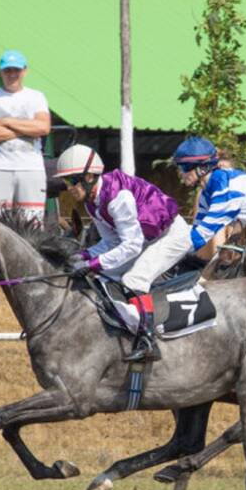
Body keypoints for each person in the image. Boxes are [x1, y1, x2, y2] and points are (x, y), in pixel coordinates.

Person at [56, 145, 187, 362]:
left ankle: (148, 342)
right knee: (103, 276)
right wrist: (84, 256)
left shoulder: (118, 198)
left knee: (134, 279)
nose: (68, 188)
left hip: (172, 236)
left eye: (71, 181)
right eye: (65, 182)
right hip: (146, 238)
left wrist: (94, 263)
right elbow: (111, 242)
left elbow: (131, 246)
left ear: (89, 177)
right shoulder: (92, 203)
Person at [0, 49, 52, 307]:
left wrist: (6, 122)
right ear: (1, 71)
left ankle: (32, 279)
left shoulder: (36, 97)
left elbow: (43, 128)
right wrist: (24, 129)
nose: (12, 75)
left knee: (32, 224)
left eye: (16, 70)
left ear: (24, 71)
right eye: (8, 70)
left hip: (30, 167)